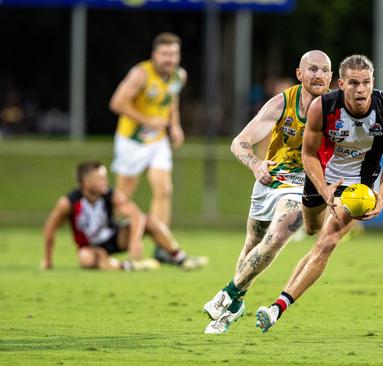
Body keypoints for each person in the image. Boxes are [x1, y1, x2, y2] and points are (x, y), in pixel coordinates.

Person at [254, 54, 383, 333]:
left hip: (357, 185)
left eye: (366, 83)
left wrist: (382, 197)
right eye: (353, 83)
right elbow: (308, 153)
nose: (360, 90)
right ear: (341, 84)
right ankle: (304, 214)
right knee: (312, 228)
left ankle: (277, 308)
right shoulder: (321, 107)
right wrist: (324, 190)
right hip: (321, 177)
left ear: (373, 82)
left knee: (327, 242)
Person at [202, 50, 333, 334]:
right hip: (270, 180)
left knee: (277, 238)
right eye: (312, 69)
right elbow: (240, 142)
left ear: (331, 77)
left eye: (324, 70)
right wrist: (255, 164)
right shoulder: (283, 102)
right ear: (300, 74)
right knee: (252, 245)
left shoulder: (335, 108)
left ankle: (226, 295)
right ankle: (236, 306)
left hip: (304, 184)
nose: (318, 75)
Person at [41, 161, 207, 271]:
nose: (105, 181)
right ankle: (128, 267)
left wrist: (135, 242)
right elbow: (50, 229)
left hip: (114, 237)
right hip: (91, 247)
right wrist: (47, 260)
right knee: (86, 259)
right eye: (100, 178)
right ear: (86, 183)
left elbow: (136, 215)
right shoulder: (68, 203)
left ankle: (179, 258)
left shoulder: (110, 195)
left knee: (149, 220)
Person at [109, 32, 186, 228]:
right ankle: (110, 234)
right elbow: (117, 103)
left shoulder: (179, 76)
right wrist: (147, 120)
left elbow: (171, 100)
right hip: (131, 140)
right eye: (165, 54)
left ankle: (162, 243)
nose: (170, 59)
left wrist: (175, 125)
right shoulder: (141, 74)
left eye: (174, 54)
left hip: (157, 140)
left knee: (164, 190)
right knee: (123, 195)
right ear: (154, 55)